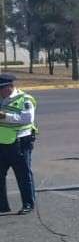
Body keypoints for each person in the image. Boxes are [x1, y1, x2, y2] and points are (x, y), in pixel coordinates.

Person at [0, 73, 36, 215]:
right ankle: (2, 205)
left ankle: (28, 203)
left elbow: (26, 118)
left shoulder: (25, 99)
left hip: (19, 143)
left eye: (2, 89)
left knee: (23, 175)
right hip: (2, 142)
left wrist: (4, 116)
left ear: (10, 87)